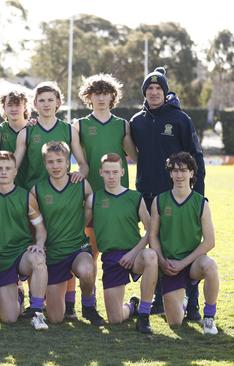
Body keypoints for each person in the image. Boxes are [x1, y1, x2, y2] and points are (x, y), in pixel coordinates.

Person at [130, 66, 206, 319]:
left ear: (165, 92)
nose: (153, 92)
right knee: (156, 245)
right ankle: (160, 299)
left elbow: (196, 157)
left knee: (185, 244)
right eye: (149, 88)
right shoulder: (136, 122)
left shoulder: (180, 119)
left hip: (179, 195)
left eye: (158, 88)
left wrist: (199, 195)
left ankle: (193, 304)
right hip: (148, 194)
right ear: (144, 93)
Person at [14, 82, 89, 317]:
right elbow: (15, 165)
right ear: (34, 104)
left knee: (65, 245)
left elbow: (83, 163)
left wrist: (80, 174)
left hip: (63, 193)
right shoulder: (28, 130)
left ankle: (71, 303)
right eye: (41, 100)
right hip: (35, 197)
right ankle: (34, 300)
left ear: (58, 103)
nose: (46, 104)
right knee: (37, 246)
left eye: (50, 100)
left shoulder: (69, 130)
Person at [0, 151, 48, 329]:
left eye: (8, 168)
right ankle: (17, 294)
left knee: (38, 259)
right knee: (10, 318)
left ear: (15, 172)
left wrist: (39, 245)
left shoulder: (26, 197)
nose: (4, 172)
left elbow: (40, 229)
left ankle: (37, 313)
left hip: (22, 254)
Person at [85, 153, 157, 334]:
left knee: (151, 256)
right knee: (115, 319)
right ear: (101, 172)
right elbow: (79, 227)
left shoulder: (135, 197)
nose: (111, 176)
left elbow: (151, 231)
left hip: (135, 255)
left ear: (122, 172)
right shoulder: (94, 199)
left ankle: (144, 314)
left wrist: (133, 253)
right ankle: (133, 306)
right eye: (107, 172)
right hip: (111, 259)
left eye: (115, 172)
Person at [34, 141, 104, 326]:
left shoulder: (81, 184)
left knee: (87, 270)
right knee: (56, 318)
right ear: (45, 164)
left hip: (77, 249)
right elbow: (33, 223)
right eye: (50, 162)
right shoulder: (38, 190)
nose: (55, 166)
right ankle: (57, 302)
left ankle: (89, 306)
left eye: (60, 161)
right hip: (54, 254)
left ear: (68, 163)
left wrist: (79, 224)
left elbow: (91, 204)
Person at [149, 152, 219, 335]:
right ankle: (184, 298)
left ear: (191, 173)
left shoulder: (201, 203)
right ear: (170, 174)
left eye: (183, 170)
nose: (179, 175)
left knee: (210, 266)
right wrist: (163, 261)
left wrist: (184, 262)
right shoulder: (160, 200)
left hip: (192, 263)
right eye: (175, 170)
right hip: (170, 265)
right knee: (175, 323)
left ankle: (209, 317)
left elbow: (210, 241)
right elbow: (153, 236)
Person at [74, 74, 138, 261]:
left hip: (119, 195)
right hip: (91, 194)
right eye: (96, 93)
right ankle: (91, 291)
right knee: (91, 251)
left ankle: (116, 288)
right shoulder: (80, 125)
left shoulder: (122, 125)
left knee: (117, 249)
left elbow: (136, 157)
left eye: (105, 93)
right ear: (89, 97)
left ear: (113, 97)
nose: (101, 98)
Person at [0, 89, 30, 188]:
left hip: (31, 185)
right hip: (6, 188)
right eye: (10, 105)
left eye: (18, 105)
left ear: (25, 107)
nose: (14, 109)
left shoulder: (34, 128)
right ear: (4, 107)